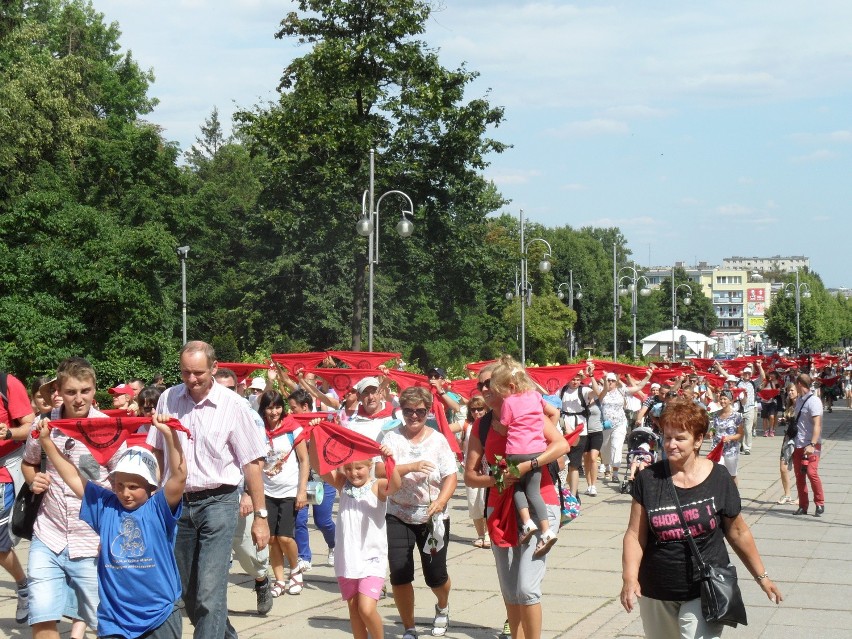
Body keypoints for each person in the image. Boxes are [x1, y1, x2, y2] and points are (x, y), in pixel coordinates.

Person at [621, 399, 783, 637]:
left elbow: (738, 532)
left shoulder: (719, 477)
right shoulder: (649, 480)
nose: (671, 445)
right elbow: (635, 535)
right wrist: (629, 578)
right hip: (656, 588)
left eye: (680, 438)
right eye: (667, 437)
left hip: (704, 587)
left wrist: (762, 577)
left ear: (698, 440)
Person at [146, 341, 269, 639]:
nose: (191, 379)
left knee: (210, 594)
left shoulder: (234, 405)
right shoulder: (168, 399)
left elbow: (252, 462)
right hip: (177, 504)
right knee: (187, 593)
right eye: (185, 372)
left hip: (219, 503)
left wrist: (261, 516)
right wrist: (152, 497)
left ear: (214, 369)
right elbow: (158, 451)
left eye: (198, 373)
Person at [36, 413, 186, 639]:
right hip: (114, 618)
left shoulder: (159, 508)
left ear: (150, 486)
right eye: (119, 485)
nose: (125, 493)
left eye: (134, 486)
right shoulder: (105, 507)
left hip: (159, 614)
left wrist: (169, 434)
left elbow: (179, 476)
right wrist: (46, 442)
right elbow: (74, 476)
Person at [23, 357, 126, 639]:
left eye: (85, 391)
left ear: (94, 389)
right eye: (71, 392)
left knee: (105, 625)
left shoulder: (109, 427)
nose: (79, 399)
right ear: (60, 391)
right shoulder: (44, 425)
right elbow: (29, 462)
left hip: (92, 541)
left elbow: (124, 483)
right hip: (48, 535)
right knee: (42, 618)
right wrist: (34, 480)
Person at [464, 363, 569, 639]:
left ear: (503, 385)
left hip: (539, 502)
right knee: (510, 589)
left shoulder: (531, 411)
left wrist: (528, 465)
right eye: (481, 385)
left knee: (526, 588)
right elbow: (470, 477)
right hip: (499, 506)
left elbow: (561, 445)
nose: (485, 389)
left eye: (489, 383)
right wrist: (498, 480)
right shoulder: (483, 425)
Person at [378, 386, 458, 639]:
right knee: (400, 573)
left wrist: (442, 501)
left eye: (420, 411)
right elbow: (380, 471)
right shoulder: (391, 438)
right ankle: (409, 627)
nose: (414, 416)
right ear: (401, 411)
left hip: (431, 516)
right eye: (409, 411)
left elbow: (451, 477)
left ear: (429, 412)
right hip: (397, 513)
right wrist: (410, 466)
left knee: (436, 576)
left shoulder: (438, 440)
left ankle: (442, 607)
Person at [309, 441, 402, 639]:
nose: (354, 473)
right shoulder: (342, 484)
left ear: (369, 466)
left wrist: (389, 462)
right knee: (354, 609)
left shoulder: (377, 486)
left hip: (372, 558)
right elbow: (318, 466)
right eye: (349, 468)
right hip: (347, 558)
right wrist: (314, 438)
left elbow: (396, 485)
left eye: (359, 468)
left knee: (366, 609)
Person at [213, 368, 273, 615]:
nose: (225, 394)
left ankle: (261, 580)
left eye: (230, 389)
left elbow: (255, 461)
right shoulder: (203, 412)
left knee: (249, 551)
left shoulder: (249, 415)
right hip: (211, 497)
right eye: (220, 389)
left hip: (240, 492)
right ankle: (214, 606)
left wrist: (248, 493)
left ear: (238, 389)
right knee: (214, 557)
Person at [488, 355, 556, 556]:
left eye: (501, 391)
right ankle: (547, 530)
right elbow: (553, 412)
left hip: (516, 452)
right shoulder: (536, 396)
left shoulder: (509, 402)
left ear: (510, 386)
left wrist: (498, 428)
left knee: (515, 486)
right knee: (534, 492)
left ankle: (527, 523)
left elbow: (505, 426)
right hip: (537, 450)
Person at [258, 389, 309, 596]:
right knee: (271, 539)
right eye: (270, 407)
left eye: (278, 407)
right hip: (266, 491)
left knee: (285, 537)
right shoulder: (257, 429)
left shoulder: (293, 429)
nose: (274, 412)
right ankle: (279, 580)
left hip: (289, 490)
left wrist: (302, 491)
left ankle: (295, 569)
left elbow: (305, 461)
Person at [287, 387, 337, 574]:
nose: (291, 412)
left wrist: (318, 429)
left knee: (322, 521)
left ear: (305, 406)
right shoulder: (290, 425)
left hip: (323, 480)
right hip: (302, 482)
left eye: (294, 408)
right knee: (299, 520)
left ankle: (334, 544)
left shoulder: (322, 422)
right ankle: (304, 557)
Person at [0, 370, 35, 624]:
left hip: (3, 471)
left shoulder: (8, 383)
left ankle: (24, 588)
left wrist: (8, 432)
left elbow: (31, 426)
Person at [454, 394, 490, 547]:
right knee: (473, 503)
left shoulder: (491, 423)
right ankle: (480, 535)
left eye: (480, 409)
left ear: (486, 408)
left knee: (485, 502)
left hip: (488, 468)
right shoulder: (466, 424)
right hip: (471, 468)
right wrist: (457, 443)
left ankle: (489, 535)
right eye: (473, 410)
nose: (476, 412)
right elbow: (445, 429)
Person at [791, 374, 825, 516]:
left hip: (811, 444)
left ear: (799, 384)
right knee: (799, 475)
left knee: (811, 473)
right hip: (798, 443)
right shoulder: (799, 400)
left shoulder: (814, 401)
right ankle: (803, 506)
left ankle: (820, 503)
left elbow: (818, 424)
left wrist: (812, 444)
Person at [710, 390, 744, 485]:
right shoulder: (715, 414)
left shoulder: (736, 416)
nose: (722, 401)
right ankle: (720, 495)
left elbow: (740, 434)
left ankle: (734, 496)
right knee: (717, 472)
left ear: (730, 400)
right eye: (721, 399)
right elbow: (713, 428)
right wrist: (711, 432)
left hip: (731, 449)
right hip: (717, 448)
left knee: (731, 474)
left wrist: (730, 438)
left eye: (725, 399)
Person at [776, 383, 797, 505]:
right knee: (783, 467)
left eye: (792, 390)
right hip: (788, 438)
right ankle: (787, 494)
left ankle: (801, 496)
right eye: (788, 391)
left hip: (799, 440)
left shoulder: (801, 405)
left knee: (800, 470)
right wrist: (784, 420)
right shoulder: (789, 406)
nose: (790, 393)